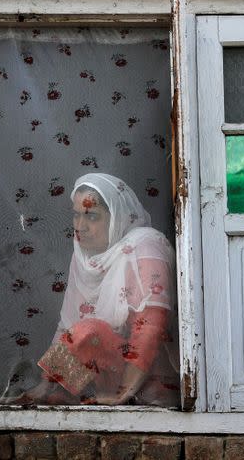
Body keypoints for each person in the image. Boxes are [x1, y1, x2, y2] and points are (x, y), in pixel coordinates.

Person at [20, 173, 179, 406]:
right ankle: (56, 394)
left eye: (92, 216)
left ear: (118, 217)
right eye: (76, 215)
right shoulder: (86, 257)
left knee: (90, 332)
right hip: (109, 383)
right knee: (80, 335)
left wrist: (123, 394)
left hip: (152, 384)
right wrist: (47, 384)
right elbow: (68, 327)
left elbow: (151, 327)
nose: (80, 227)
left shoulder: (144, 245)